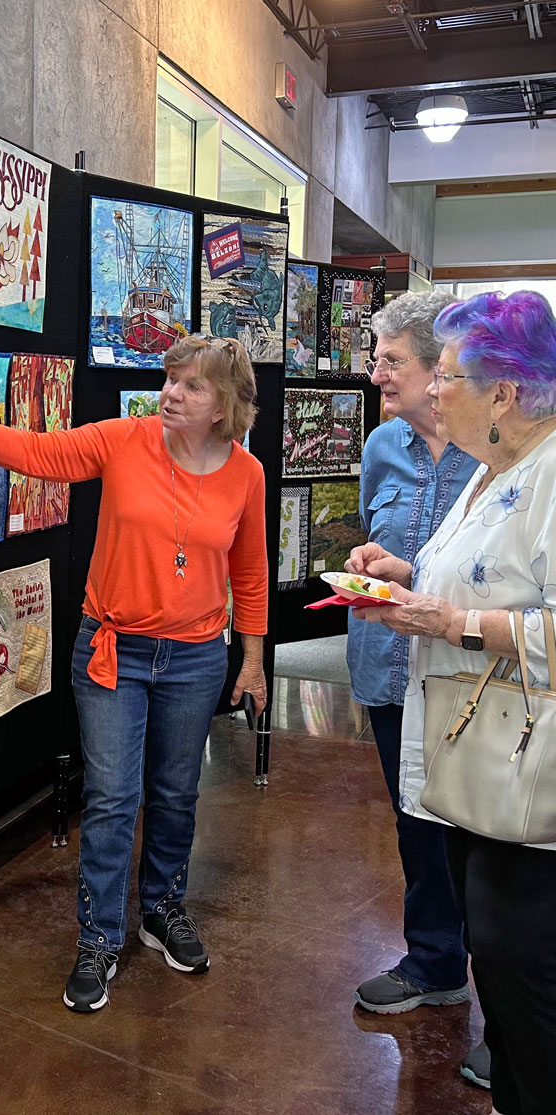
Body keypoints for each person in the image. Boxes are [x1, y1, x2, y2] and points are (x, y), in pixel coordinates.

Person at [0, 335, 269, 1013]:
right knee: (110, 798)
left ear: (222, 405)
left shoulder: (245, 475)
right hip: (113, 650)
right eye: (170, 380)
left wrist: (251, 660)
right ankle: (100, 936)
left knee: (176, 792)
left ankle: (161, 909)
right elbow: (38, 453)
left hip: (195, 657)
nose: (170, 393)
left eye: (189, 385)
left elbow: (249, 574)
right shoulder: (124, 438)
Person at [348, 290, 556, 1115]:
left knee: (523, 969)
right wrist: (406, 578)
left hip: (528, 778)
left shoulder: (546, 478)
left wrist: (453, 622)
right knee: (502, 967)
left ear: (504, 392)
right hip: (480, 770)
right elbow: (466, 573)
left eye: (452, 375)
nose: (436, 388)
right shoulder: (498, 475)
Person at [346, 292, 481, 1021]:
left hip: (473, 677)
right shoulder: (379, 447)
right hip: (389, 670)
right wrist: (376, 566)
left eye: (390, 361)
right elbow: (382, 537)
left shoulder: (500, 455)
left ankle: (514, 1007)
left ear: (439, 370)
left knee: (487, 834)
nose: (375, 376)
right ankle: (434, 961)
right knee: (416, 821)